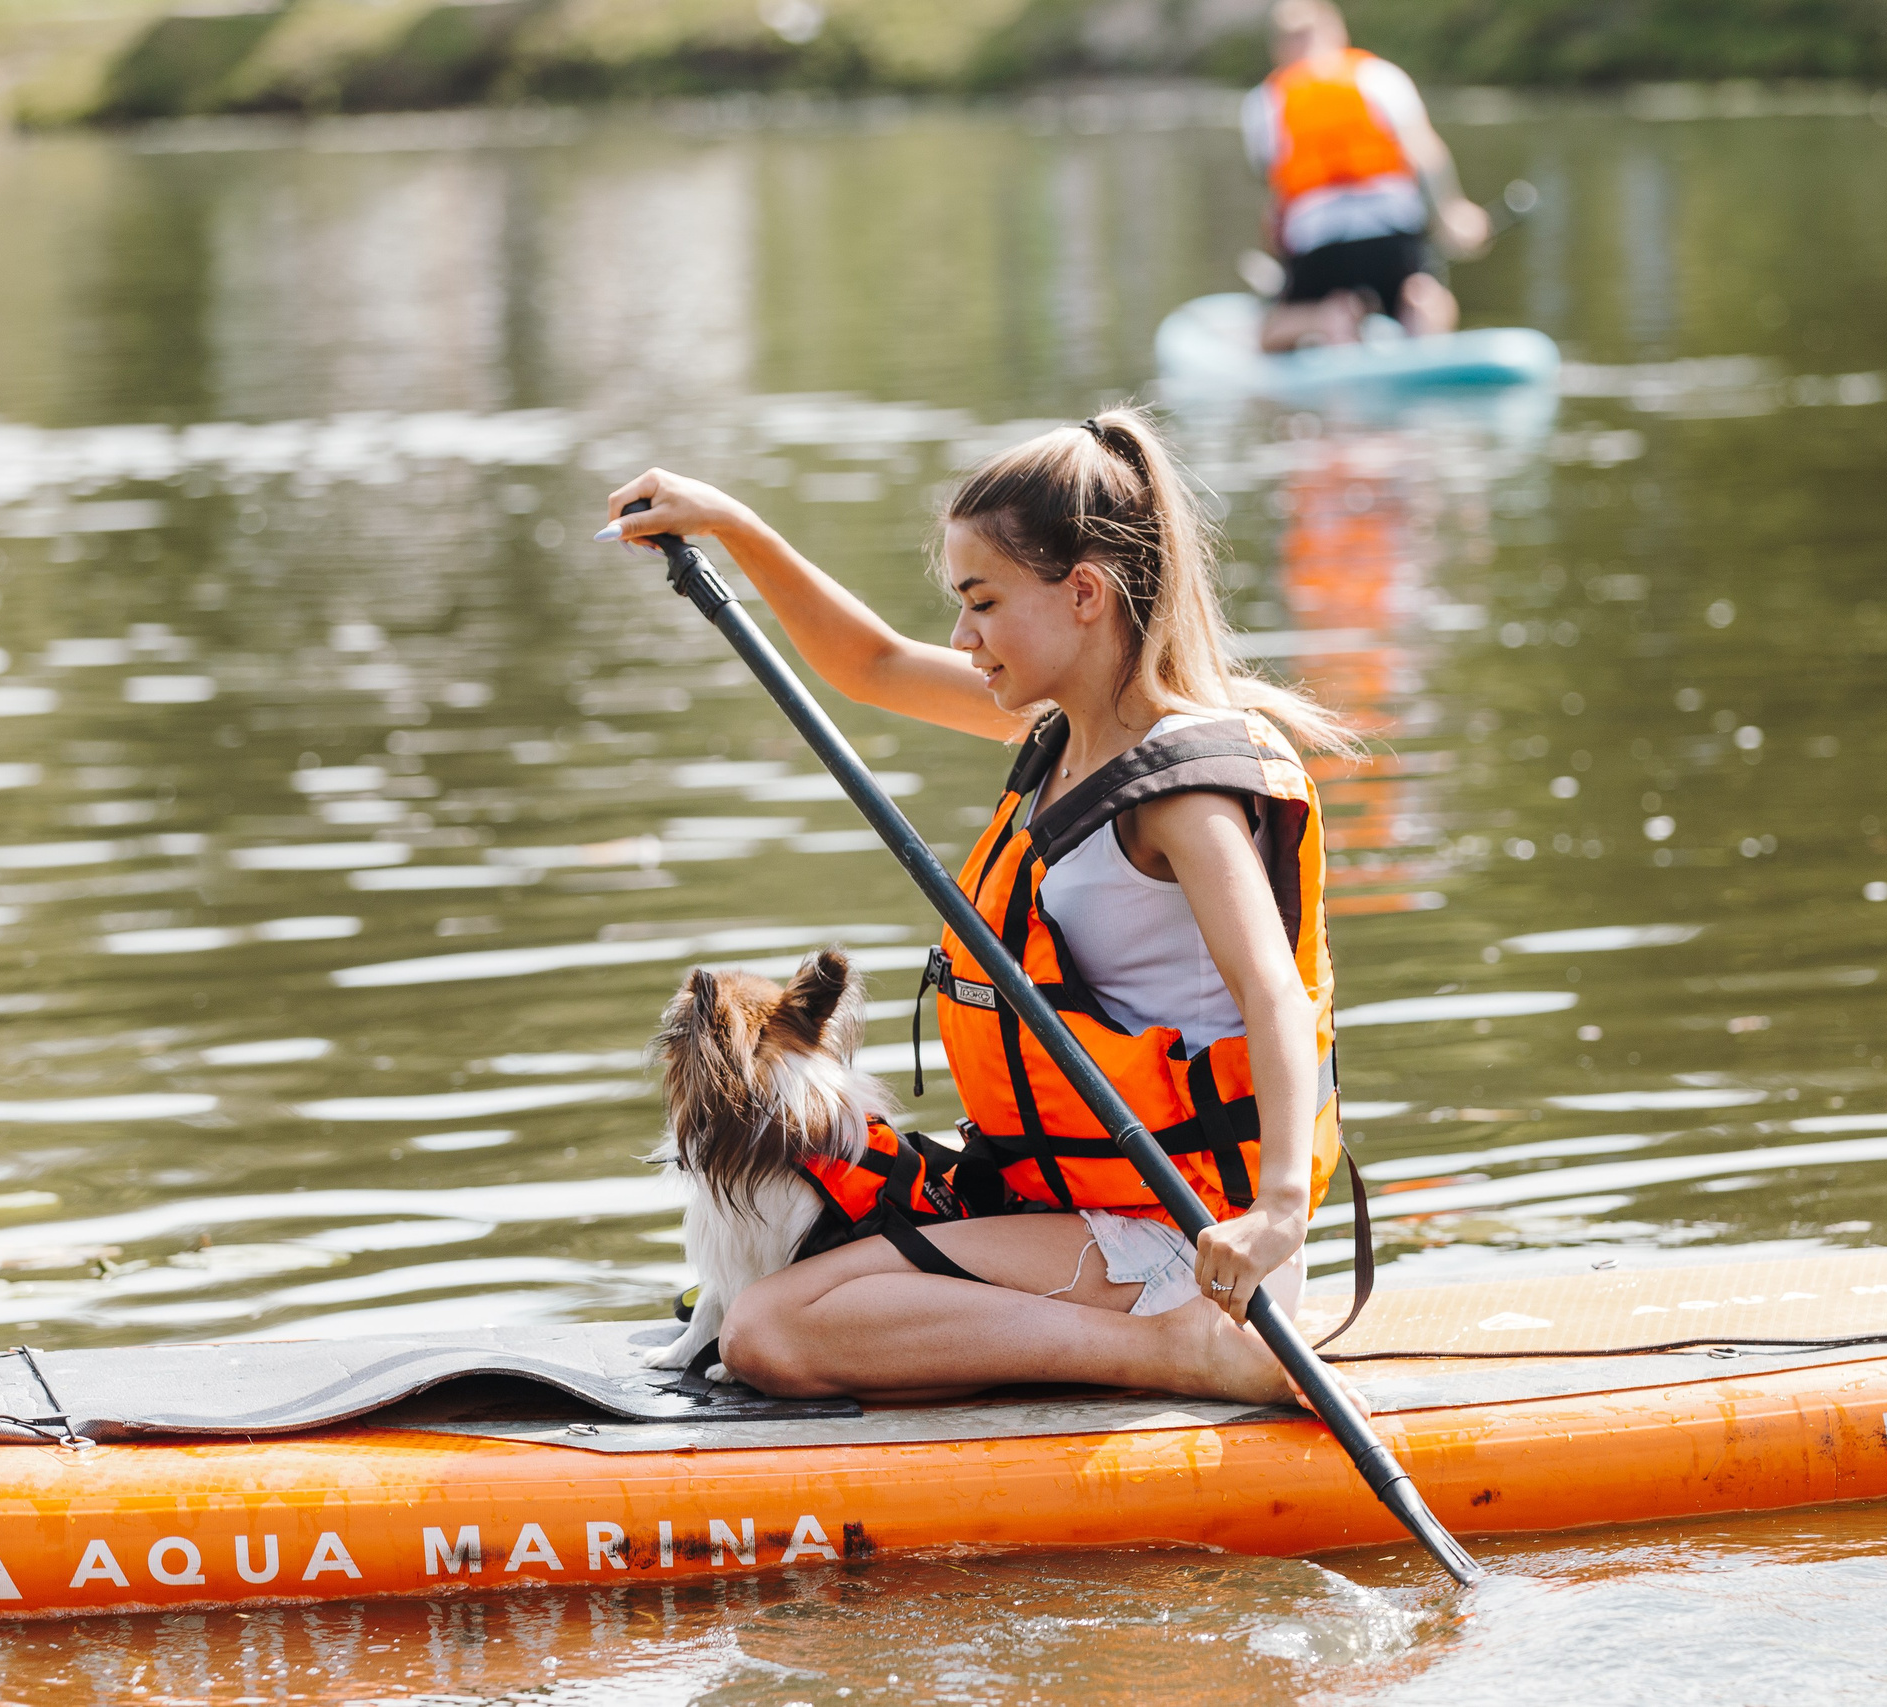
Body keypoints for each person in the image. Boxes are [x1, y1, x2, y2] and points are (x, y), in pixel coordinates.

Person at [604, 409, 1355, 1407]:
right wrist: (733, 527)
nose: (963, 636)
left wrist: (1275, 1218)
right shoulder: (1065, 734)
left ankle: (1188, 1355)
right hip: (1088, 1205)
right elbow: (866, 665)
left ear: (1083, 593)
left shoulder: (1180, 788)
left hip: (1191, 1240)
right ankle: (1116, 1336)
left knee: (768, 1332)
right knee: (784, 1281)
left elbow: (1275, 995)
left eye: (983, 602)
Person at [1243, 0, 1490, 352]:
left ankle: (1325, 315)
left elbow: (1277, 192)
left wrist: (1281, 258)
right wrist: (1452, 212)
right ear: (1336, 32)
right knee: (1423, 290)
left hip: (1319, 241)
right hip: (1392, 230)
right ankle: (1420, 316)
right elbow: (1424, 150)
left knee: (1270, 335)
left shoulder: (1265, 100)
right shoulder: (1379, 76)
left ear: (1279, 48)